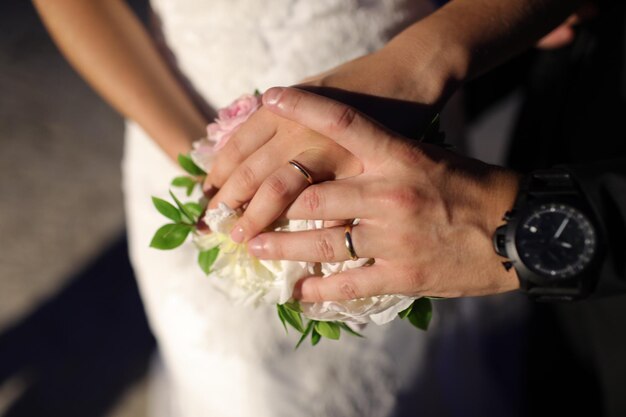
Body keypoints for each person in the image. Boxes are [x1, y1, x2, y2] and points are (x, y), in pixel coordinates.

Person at [33, 0, 452, 416]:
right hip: (183, 128)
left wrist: (420, 65)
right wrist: (210, 168)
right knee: (240, 387)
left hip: (399, 127)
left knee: (407, 367)